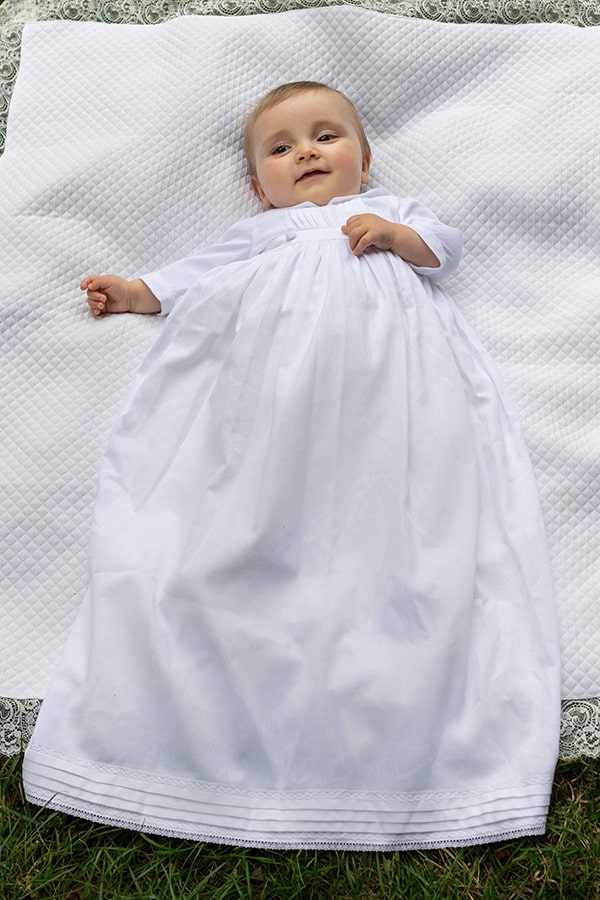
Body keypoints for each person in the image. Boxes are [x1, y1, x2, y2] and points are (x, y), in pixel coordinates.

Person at [23, 81, 561, 851]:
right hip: (277, 391)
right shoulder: (263, 235)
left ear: (364, 161)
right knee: (250, 490)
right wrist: (137, 290)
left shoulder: (394, 211)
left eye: (326, 136)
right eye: (281, 148)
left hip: (394, 387)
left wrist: (397, 237)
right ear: (258, 186)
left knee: (417, 504)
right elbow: (193, 275)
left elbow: (446, 252)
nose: (306, 152)